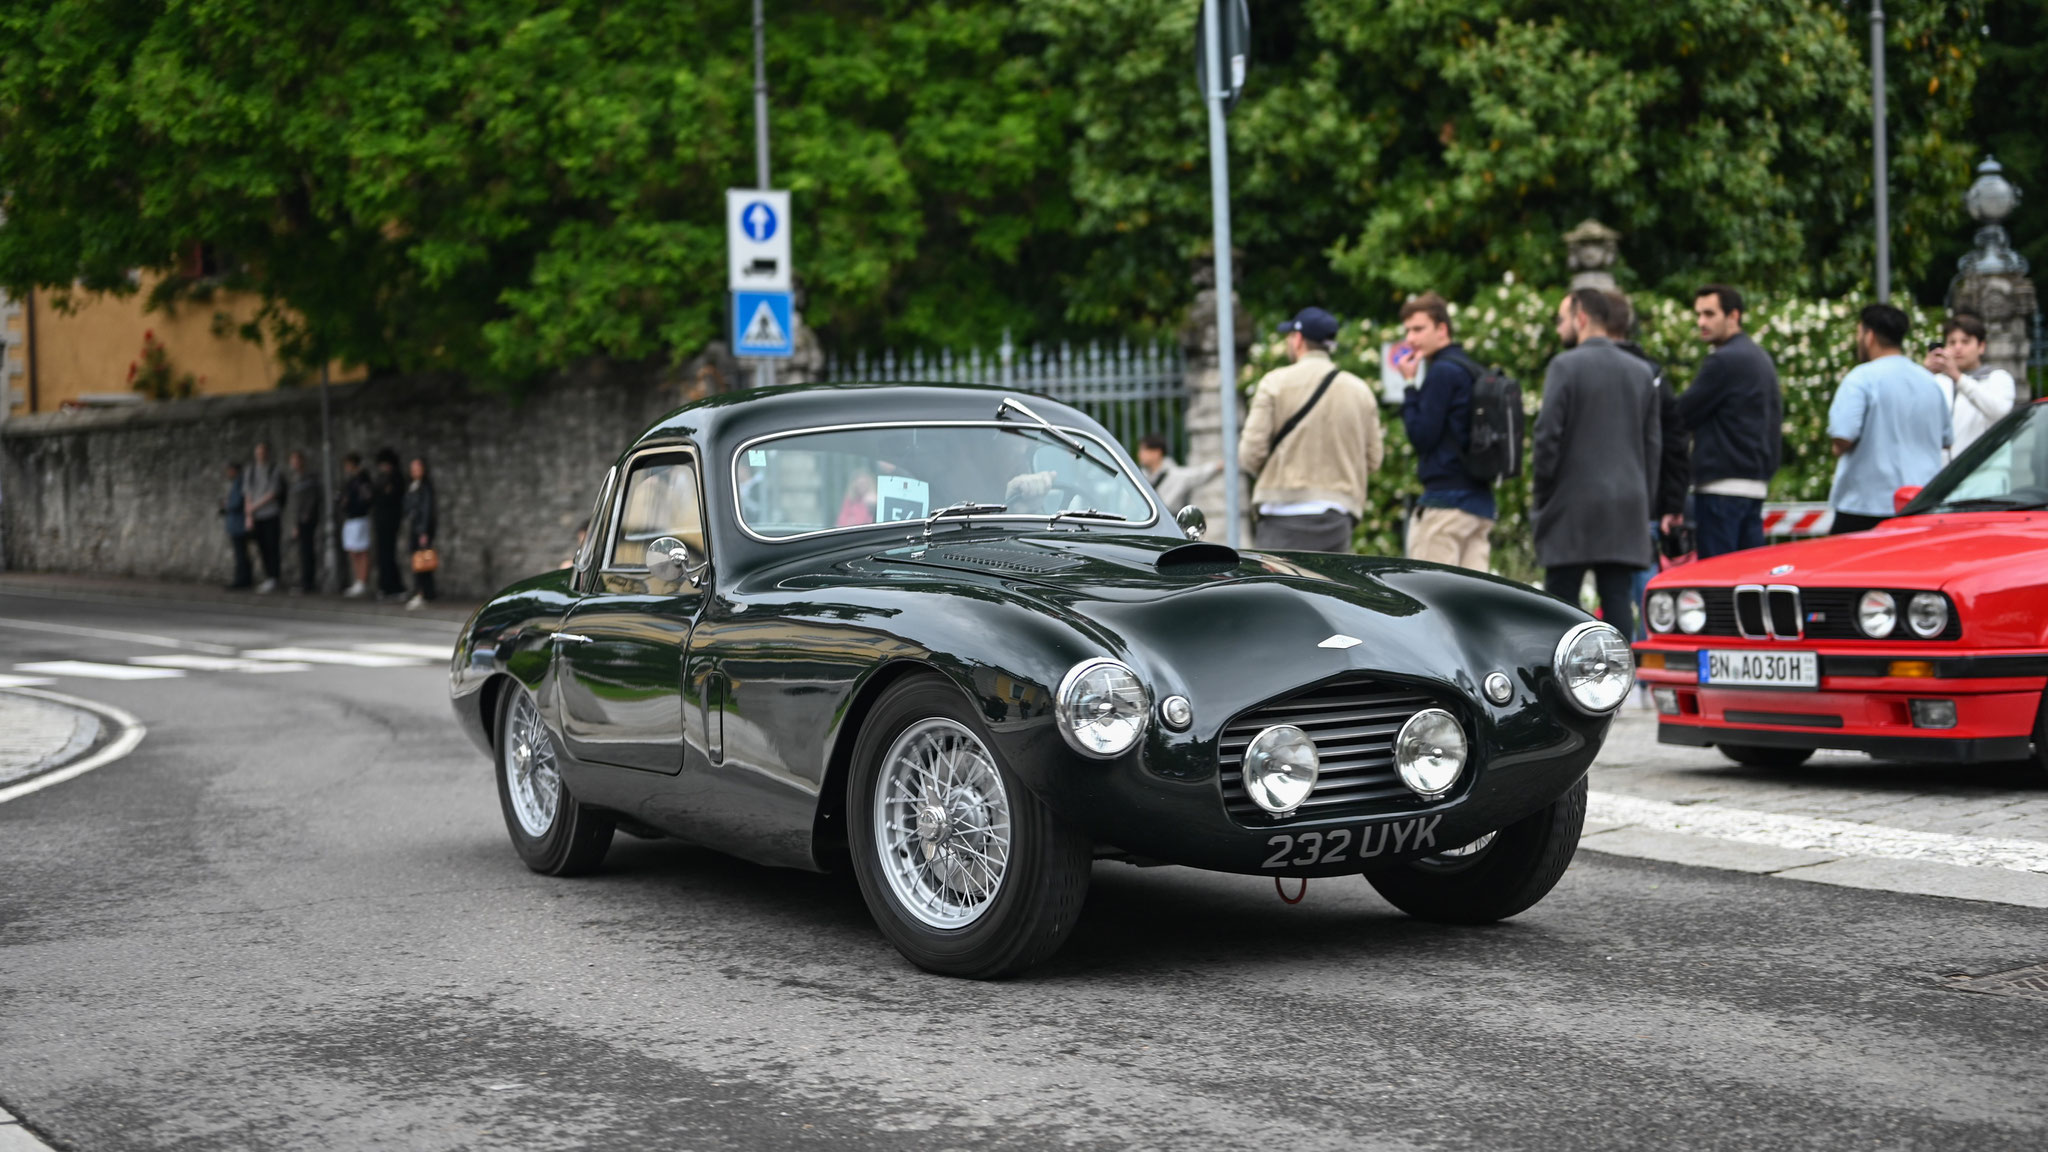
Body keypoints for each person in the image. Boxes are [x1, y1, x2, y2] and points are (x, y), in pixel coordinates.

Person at [1533, 288, 1660, 639]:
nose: (1559, 329)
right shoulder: (1641, 372)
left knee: (1559, 604)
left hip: (1571, 504)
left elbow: (1547, 438)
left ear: (1581, 317)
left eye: (1561, 320)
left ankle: (1558, 682)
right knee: (1617, 598)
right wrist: (1643, 501)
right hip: (1626, 507)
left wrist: (1541, 496)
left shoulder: (1565, 366)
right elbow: (1652, 447)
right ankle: (1616, 680)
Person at [1237, 306, 1384, 552]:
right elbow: (1374, 460)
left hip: (1281, 513)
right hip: (1336, 514)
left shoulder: (1274, 383)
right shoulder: (1360, 391)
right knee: (1328, 589)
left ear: (1297, 339)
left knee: (1280, 589)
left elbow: (1250, 455)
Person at [1675, 285, 1783, 557]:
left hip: (1720, 486)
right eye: (1698, 314)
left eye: (1709, 314)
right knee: (1748, 577)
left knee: (1717, 583)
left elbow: (1681, 414)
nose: (1701, 322)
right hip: (1754, 486)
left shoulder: (1723, 361)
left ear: (1733, 315)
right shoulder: (1760, 357)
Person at [1826, 304, 1950, 535]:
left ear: (1869, 335)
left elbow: (1843, 437)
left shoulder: (1860, 378)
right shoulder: (1929, 382)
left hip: (1865, 506)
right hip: (1919, 503)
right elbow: (1946, 439)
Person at [1607, 291, 1689, 641]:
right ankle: (1648, 655)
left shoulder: (1580, 367)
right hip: (1645, 497)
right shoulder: (1651, 373)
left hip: (1598, 496)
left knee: (1609, 585)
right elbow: (1674, 441)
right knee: (1644, 583)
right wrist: (1671, 502)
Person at [1395, 292, 1495, 571]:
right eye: (1407, 331)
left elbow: (1422, 436)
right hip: (1479, 505)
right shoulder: (1473, 370)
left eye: (1418, 329)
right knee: (1472, 601)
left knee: (1431, 596)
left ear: (1442, 329)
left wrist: (1409, 386)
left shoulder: (1442, 372)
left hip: (1445, 505)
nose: (1410, 339)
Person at [1924, 312, 2017, 460]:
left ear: (1981, 347)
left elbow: (1999, 411)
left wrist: (1958, 377)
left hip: (1985, 471)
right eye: (1952, 342)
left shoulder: (1998, 378)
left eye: (1965, 342)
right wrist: (1924, 374)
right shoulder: (1938, 381)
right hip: (1943, 474)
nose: (1958, 348)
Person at [1136, 435, 1220, 513]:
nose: (1139, 454)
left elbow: (1199, 473)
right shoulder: (1139, 476)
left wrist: (1217, 466)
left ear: (1157, 452)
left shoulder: (1176, 476)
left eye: (1144, 449)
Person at [244, 440, 286, 593]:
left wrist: (255, 506)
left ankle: (274, 577)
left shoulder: (274, 469)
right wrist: (248, 514)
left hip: (271, 513)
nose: (260, 455)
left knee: (272, 546)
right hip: (257, 516)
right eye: (258, 452)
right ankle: (268, 576)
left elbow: (273, 493)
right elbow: (248, 493)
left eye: (263, 452)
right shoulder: (251, 471)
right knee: (261, 547)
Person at [370, 448, 407, 598]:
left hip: (390, 520)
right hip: (381, 520)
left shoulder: (396, 478)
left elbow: (390, 498)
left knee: (388, 554)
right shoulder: (382, 479)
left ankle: (393, 586)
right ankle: (386, 585)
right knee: (383, 554)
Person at [403, 455, 438, 609]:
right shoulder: (413, 486)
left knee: (421, 561)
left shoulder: (425, 487)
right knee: (418, 561)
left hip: (421, 529)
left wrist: (424, 531)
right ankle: (424, 592)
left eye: (418, 468)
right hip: (415, 527)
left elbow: (426, 510)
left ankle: (422, 592)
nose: (415, 471)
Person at [338, 453, 373, 597]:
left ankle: (362, 582)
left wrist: (354, 504)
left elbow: (367, 497)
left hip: (360, 517)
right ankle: (357, 580)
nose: (346, 467)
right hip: (351, 517)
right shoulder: (351, 480)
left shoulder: (362, 479)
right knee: (353, 550)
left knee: (361, 550)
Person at [287, 450, 320, 594]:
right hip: (299, 520)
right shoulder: (295, 479)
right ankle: (305, 581)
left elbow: (312, 499)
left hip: (306, 520)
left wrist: (305, 516)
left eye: (296, 460)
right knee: (302, 551)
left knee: (307, 551)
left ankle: (308, 582)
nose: (294, 463)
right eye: (292, 460)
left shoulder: (309, 478)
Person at [218, 461, 253, 590]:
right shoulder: (239, 482)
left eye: (230, 470)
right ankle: (245, 578)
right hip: (238, 524)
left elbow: (237, 502)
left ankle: (242, 579)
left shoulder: (240, 482)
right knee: (242, 553)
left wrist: (226, 505)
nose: (228, 473)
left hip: (238, 524)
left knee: (240, 553)